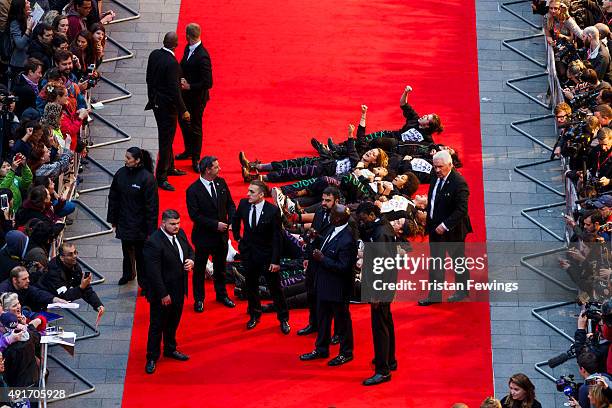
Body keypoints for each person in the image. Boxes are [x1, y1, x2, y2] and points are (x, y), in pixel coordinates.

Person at [299, 204, 357, 366]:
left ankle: (346, 353)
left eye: (332, 213)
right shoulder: (333, 228)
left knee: (342, 321)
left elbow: (344, 267)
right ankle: (321, 349)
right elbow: (326, 245)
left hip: (338, 288)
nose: (329, 215)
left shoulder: (347, 239)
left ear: (338, 218)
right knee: (323, 318)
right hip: (324, 283)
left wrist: (323, 259)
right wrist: (316, 238)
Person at [232, 179, 289, 333]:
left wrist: (275, 261)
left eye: (252, 192)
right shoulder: (244, 204)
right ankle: (254, 315)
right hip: (249, 255)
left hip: (267, 257)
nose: (247, 194)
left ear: (261, 195)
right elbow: (236, 219)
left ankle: (283, 318)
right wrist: (238, 237)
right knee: (251, 287)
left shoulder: (272, 211)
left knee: (275, 289)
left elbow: (278, 238)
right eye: (248, 190)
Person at [142, 209, 194, 375]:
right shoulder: (154, 242)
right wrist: (164, 294)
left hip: (179, 289)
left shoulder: (181, 233)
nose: (176, 226)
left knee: (173, 322)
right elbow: (153, 273)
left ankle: (170, 349)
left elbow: (190, 250)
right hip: (162, 293)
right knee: (157, 324)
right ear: (163, 223)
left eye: (178, 223)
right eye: (172, 224)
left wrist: (191, 260)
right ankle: (152, 357)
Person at [418, 150, 472, 305]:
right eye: (435, 167)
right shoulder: (436, 175)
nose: (437, 170)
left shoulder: (459, 183)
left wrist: (445, 225)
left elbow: (461, 210)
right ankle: (434, 296)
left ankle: (462, 291)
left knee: (458, 261)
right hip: (435, 227)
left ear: (450, 164)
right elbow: (434, 198)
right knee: (436, 262)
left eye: (440, 167)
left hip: (453, 231)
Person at [186, 156, 235, 312]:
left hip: (221, 237)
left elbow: (230, 205)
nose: (219, 169)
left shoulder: (221, 183)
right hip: (204, 238)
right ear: (207, 170)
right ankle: (199, 299)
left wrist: (232, 220)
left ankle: (222, 295)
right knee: (199, 270)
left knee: (220, 268)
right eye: (216, 167)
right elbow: (195, 216)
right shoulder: (193, 190)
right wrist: (215, 225)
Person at [356, 201, 397, 386]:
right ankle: (390, 359)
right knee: (386, 321)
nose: (362, 222)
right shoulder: (382, 226)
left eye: (364, 218)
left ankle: (383, 370)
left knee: (379, 327)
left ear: (372, 215)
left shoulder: (380, 233)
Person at [107, 147, 159, 287]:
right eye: (126, 156)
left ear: (137, 161)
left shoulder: (147, 179)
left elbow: (152, 207)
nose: (125, 160)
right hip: (124, 220)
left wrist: (151, 230)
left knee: (141, 255)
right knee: (126, 250)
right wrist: (112, 219)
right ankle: (128, 274)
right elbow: (113, 197)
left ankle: (144, 282)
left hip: (140, 224)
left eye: (128, 158)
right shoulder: (120, 174)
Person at [145, 32, 190, 192]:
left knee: (167, 138)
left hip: (157, 103)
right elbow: (174, 90)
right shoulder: (172, 63)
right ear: (176, 45)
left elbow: (149, 78)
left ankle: (170, 167)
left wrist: (152, 97)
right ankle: (161, 177)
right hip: (167, 108)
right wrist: (183, 110)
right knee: (165, 141)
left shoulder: (154, 54)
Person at [296, 186, 338, 336]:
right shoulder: (320, 211)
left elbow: (336, 242)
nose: (324, 203)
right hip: (314, 260)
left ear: (336, 201)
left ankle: (338, 333)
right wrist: (307, 256)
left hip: (329, 263)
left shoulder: (341, 218)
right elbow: (312, 235)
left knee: (330, 300)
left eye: (328, 200)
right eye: (323, 200)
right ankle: (313, 324)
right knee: (311, 293)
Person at [176, 23, 213, 173]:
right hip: (186, 96)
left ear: (188, 36)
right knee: (184, 122)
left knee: (195, 127)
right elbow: (183, 65)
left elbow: (208, 82)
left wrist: (190, 86)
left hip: (197, 99)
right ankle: (188, 150)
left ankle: (196, 158)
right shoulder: (188, 48)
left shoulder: (202, 56)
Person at [36, 242, 104, 314]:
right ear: (62, 257)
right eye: (70, 254)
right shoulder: (54, 271)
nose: (74, 256)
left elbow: (86, 288)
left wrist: (98, 305)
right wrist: (81, 287)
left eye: (75, 252)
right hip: (39, 300)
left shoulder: (74, 266)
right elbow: (64, 296)